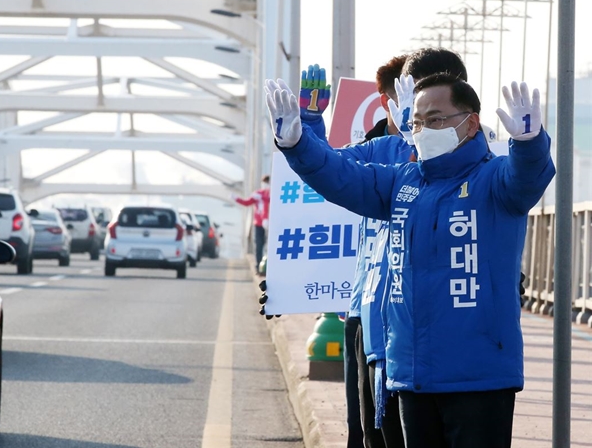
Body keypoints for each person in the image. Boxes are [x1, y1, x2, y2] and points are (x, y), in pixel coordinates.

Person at [267, 72, 555, 448]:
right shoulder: (402, 183)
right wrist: (298, 143)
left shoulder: (495, 180)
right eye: (418, 121)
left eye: (435, 119)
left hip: (478, 377)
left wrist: (529, 143)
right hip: (411, 374)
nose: (423, 129)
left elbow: (528, 176)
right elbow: (341, 176)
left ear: (470, 124)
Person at [232, 175, 271, 274]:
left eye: (267, 182)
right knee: (259, 245)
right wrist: (236, 198)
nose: (266, 184)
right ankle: (259, 267)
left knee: (270, 245)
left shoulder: (274, 193)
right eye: (265, 182)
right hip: (258, 224)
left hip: (272, 223)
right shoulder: (257, 194)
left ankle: (269, 267)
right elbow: (246, 202)